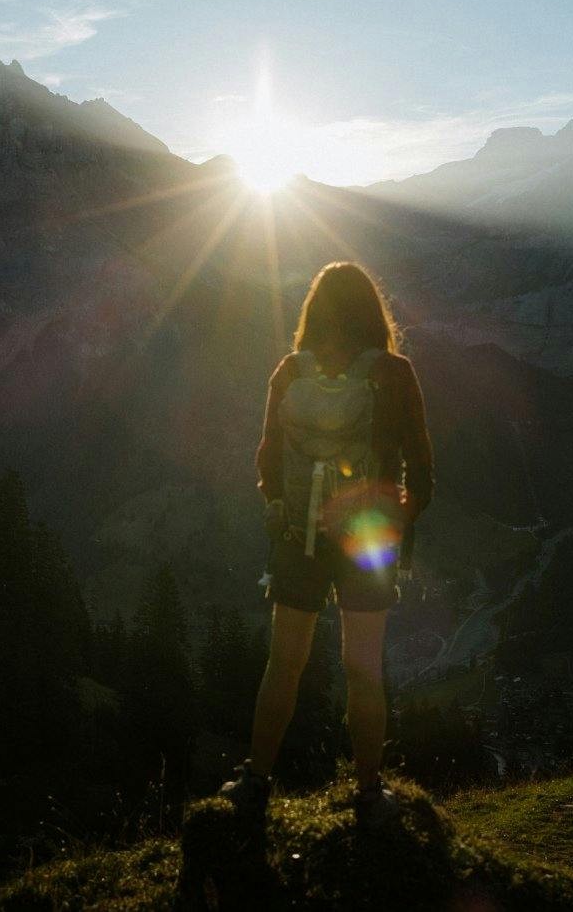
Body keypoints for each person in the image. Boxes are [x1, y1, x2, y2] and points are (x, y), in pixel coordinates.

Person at [220, 261, 434, 827]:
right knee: (363, 669)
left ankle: (255, 781)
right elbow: (422, 467)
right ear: (373, 313)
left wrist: (282, 508)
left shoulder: (290, 372)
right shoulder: (394, 372)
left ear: (314, 312)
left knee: (283, 665)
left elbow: (266, 459)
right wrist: (397, 519)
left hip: (299, 536)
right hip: (367, 542)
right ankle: (368, 792)